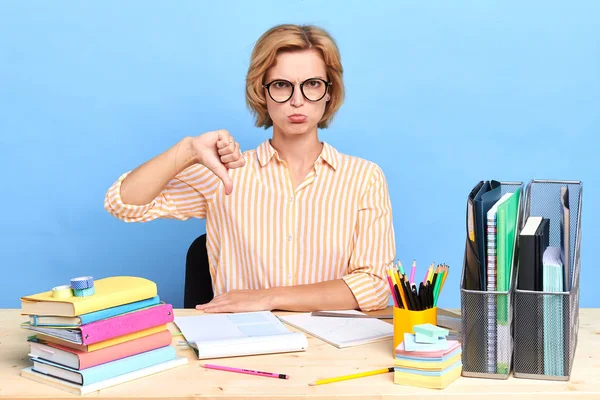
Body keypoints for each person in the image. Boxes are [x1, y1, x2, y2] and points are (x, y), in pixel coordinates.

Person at [104, 24, 396, 313]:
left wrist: (268, 298)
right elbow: (124, 204)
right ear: (262, 92)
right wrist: (187, 150)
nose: (297, 100)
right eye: (282, 85)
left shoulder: (364, 178)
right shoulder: (225, 172)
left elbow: (374, 286)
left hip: (333, 351)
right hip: (244, 347)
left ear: (329, 92)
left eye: (312, 84)